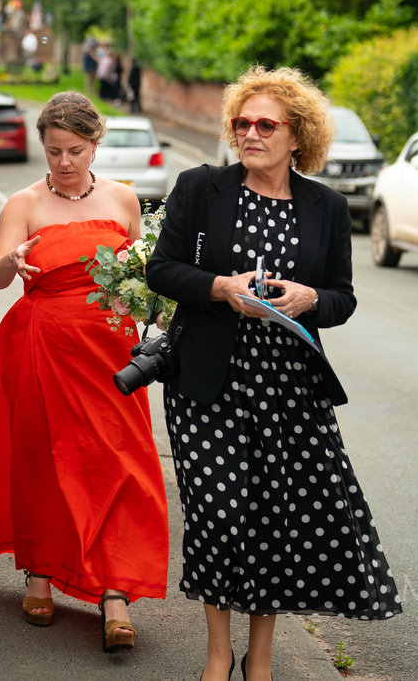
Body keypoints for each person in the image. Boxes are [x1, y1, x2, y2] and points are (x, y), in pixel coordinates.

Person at [145, 66, 400, 681]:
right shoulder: (201, 188)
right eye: (242, 123)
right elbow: (162, 269)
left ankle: (259, 659)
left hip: (289, 390)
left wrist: (310, 299)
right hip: (208, 387)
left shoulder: (326, 207)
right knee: (214, 513)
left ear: (297, 136)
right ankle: (215, 654)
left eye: (266, 125)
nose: (250, 133)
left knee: (272, 521)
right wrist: (219, 288)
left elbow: (343, 297)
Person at [0, 92, 167, 653]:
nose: (63, 161)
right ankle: (39, 574)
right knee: (45, 458)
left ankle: (115, 594)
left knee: (119, 462)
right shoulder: (24, 204)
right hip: (42, 345)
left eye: (75, 150)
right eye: (53, 151)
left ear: (94, 144)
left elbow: (144, 275)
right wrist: (13, 260)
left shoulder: (124, 200)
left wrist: (150, 300)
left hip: (109, 352)